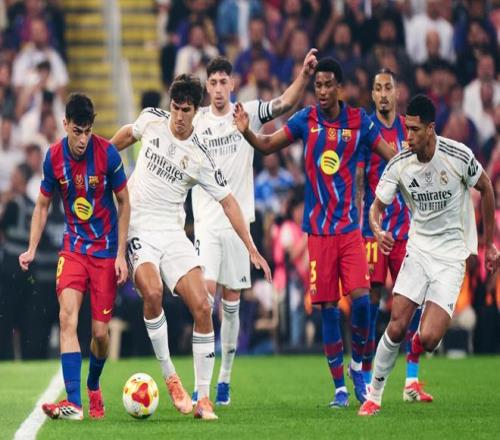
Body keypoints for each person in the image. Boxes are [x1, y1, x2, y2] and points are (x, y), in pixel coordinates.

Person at [233, 58, 396, 408]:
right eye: (317, 85)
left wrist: (414, 163)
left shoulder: (359, 121)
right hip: (319, 234)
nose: (321, 91)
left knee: (363, 302)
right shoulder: (306, 119)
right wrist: (247, 131)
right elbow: (267, 144)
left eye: (327, 85)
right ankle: (339, 388)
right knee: (328, 309)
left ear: (340, 88)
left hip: (350, 230)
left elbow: (391, 155)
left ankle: (357, 368)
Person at [110, 74, 271, 420]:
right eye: (176, 108)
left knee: (202, 306)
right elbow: (127, 134)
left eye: (186, 110)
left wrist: (251, 247)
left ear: (196, 111)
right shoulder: (152, 119)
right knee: (153, 292)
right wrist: (102, 161)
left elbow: (229, 202)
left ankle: (204, 399)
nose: (179, 117)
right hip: (138, 226)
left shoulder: (200, 155)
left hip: (172, 233)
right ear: (169, 105)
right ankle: (171, 377)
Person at [359, 94, 499, 416]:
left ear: (431, 129)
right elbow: (376, 207)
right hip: (419, 250)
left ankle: (419, 342)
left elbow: (487, 187)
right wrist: (378, 230)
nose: (408, 136)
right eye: (407, 128)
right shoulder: (400, 163)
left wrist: (489, 244)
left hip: (451, 256)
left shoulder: (457, 155)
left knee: (431, 338)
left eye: (415, 130)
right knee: (396, 325)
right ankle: (374, 396)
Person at [190, 49, 317, 405]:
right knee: (204, 301)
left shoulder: (246, 112)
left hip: (239, 225)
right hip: (206, 223)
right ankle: (201, 384)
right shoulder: (195, 120)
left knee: (231, 305)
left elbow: (284, 103)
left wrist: (304, 75)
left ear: (232, 84)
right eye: (213, 82)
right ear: (207, 87)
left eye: (223, 82)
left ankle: (225, 379)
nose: (218, 88)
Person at [19, 93, 130, 420]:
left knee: (100, 334)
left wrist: (121, 254)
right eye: (77, 131)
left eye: (87, 131)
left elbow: (124, 202)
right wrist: (31, 248)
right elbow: (42, 205)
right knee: (67, 317)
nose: (82, 139)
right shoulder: (53, 157)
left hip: (105, 251)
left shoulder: (107, 154)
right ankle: (74, 402)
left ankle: (93, 384)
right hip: (74, 249)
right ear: (65, 124)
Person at [356, 69, 432, 402]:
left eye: (388, 87)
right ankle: (366, 377)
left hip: (406, 232)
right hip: (374, 232)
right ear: (373, 95)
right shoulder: (367, 131)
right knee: (370, 303)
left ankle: (411, 380)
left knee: (411, 303)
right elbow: (360, 181)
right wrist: (360, 224)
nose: (384, 93)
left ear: (397, 92)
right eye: (378, 88)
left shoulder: (408, 128)